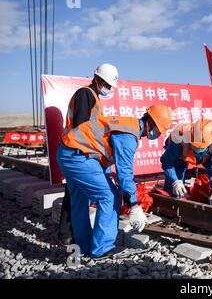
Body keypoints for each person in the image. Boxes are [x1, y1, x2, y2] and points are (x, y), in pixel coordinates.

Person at [56, 104, 173, 259]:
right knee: (109, 196)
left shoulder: (128, 125)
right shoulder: (129, 136)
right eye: (158, 131)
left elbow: (102, 153)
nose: (156, 135)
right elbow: (124, 173)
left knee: (79, 200)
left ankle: (83, 247)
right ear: (150, 123)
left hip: (67, 153)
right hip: (80, 157)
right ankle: (102, 248)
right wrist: (134, 205)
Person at [58, 63, 119, 245]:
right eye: (107, 85)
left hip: (78, 152)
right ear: (98, 79)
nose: (108, 89)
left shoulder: (93, 97)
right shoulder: (86, 94)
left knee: (75, 195)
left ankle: (72, 238)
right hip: (79, 152)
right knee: (104, 196)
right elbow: (82, 128)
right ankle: (90, 243)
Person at [161, 119, 212, 209]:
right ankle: (173, 202)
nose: (198, 147)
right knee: (174, 190)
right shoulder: (178, 138)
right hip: (181, 157)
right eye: (196, 144)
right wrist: (175, 181)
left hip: (206, 156)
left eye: (201, 145)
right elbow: (167, 162)